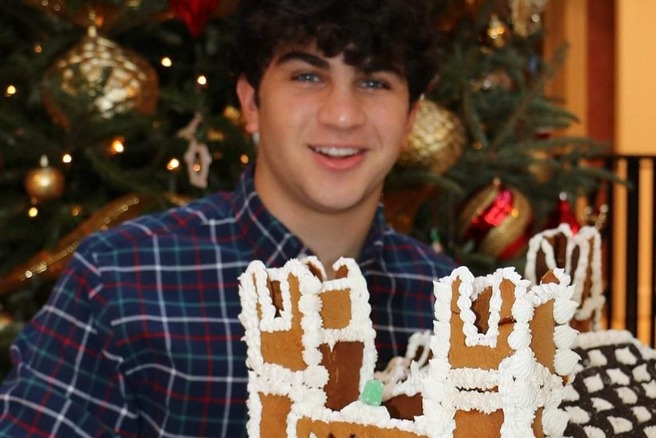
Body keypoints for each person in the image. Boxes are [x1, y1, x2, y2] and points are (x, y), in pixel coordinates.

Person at [0, 0, 456, 436]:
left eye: (374, 82)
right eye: (307, 76)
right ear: (251, 103)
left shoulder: (457, 313)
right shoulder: (119, 282)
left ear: (411, 116)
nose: (341, 115)